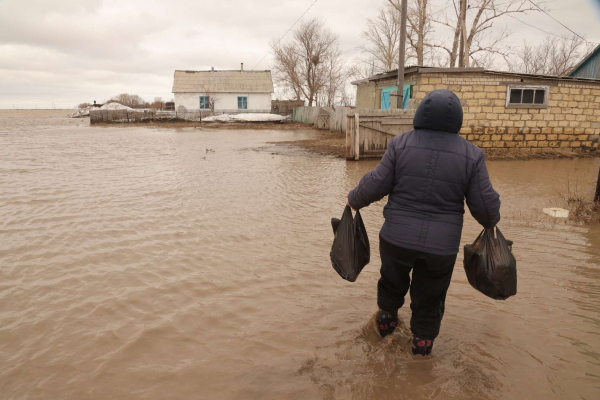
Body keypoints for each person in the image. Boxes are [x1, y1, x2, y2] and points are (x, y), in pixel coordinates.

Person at [347, 89, 500, 356]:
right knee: (430, 298)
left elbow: (375, 184)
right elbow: (485, 209)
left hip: (396, 239)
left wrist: (353, 200)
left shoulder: (400, 144)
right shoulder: (473, 155)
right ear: (457, 120)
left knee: (391, 283)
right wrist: (491, 220)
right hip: (440, 250)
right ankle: (421, 352)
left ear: (419, 115)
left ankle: (385, 328)